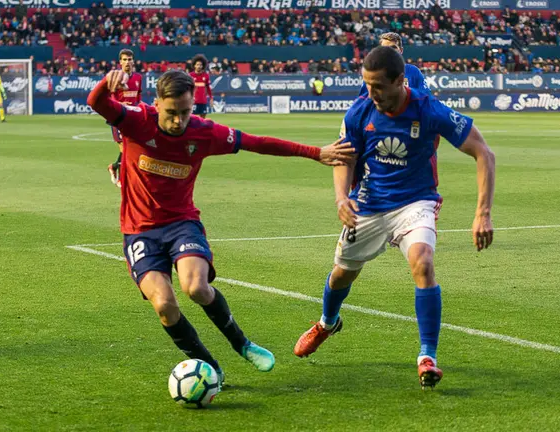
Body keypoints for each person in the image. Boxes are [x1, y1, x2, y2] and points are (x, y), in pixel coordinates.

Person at [87, 69, 354, 385]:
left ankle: (241, 343)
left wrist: (316, 153)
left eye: (185, 112)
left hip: (181, 224)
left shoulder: (203, 133)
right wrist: (107, 82)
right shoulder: (136, 121)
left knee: (196, 287)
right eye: (171, 113)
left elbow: (259, 143)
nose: (178, 121)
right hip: (139, 231)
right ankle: (209, 367)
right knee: (164, 305)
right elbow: (97, 101)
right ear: (156, 103)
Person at [293, 46, 496, 389]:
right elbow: (344, 157)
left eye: (378, 87)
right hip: (369, 204)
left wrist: (483, 213)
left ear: (401, 81)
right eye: (367, 85)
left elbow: (483, 152)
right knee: (342, 275)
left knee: (423, 261)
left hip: (415, 202)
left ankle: (427, 356)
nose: (371, 93)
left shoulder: (429, 110)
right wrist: (342, 197)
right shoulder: (360, 112)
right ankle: (328, 323)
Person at [108, 49, 142, 188]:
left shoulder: (138, 77)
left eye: (129, 59)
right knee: (124, 148)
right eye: (124, 60)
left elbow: (138, 96)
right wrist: (121, 104)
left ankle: (114, 166)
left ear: (133, 61)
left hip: (132, 116)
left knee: (132, 149)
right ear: (120, 62)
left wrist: (140, 108)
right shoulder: (116, 77)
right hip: (117, 116)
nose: (127, 62)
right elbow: (111, 98)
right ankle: (122, 179)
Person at [358, 32, 431, 97]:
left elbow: (426, 98)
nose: (390, 51)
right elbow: (363, 103)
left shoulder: (413, 71)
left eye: (394, 47)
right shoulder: (372, 74)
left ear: (401, 50)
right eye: (386, 48)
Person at [189, 54, 213, 119]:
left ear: (203, 66)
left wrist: (211, 98)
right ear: (194, 65)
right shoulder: (190, 75)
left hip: (203, 101)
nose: (199, 66)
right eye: (197, 65)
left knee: (203, 119)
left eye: (200, 65)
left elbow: (208, 88)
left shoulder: (206, 75)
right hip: (193, 101)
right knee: (191, 118)